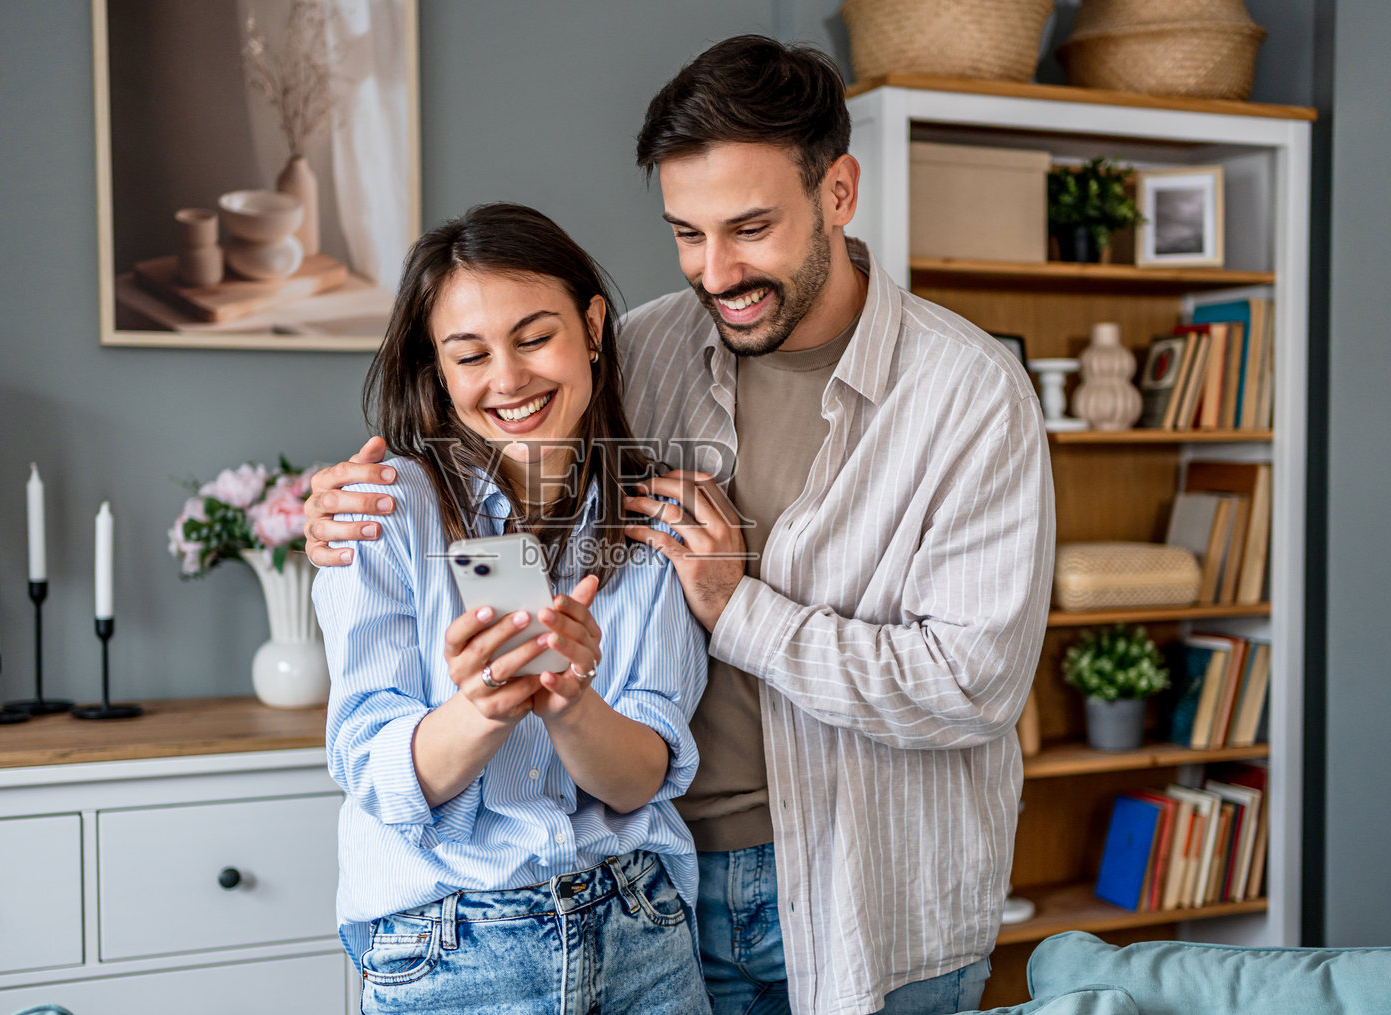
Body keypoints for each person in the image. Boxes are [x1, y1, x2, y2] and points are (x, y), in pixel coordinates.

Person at [308, 37, 1054, 1015]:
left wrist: (734, 604)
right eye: (687, 234)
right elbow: (500, 411)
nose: (717, 270)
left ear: (838, 191)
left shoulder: (968, 396)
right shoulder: (646, 347)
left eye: (750, 228)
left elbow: (973, 686)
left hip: (863, 898)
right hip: (654, 899)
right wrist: (340, 506)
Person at [315, 202, 710, 1014]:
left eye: (535, 337)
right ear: (439, 368)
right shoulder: (380, 513)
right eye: (470, 354)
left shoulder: (650, 521)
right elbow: (375, 773)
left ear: (594, 325)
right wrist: (484, 709)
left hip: (640, 926)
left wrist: (569, 702)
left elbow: (642, 777)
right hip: (450, 946)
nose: (508, 379)